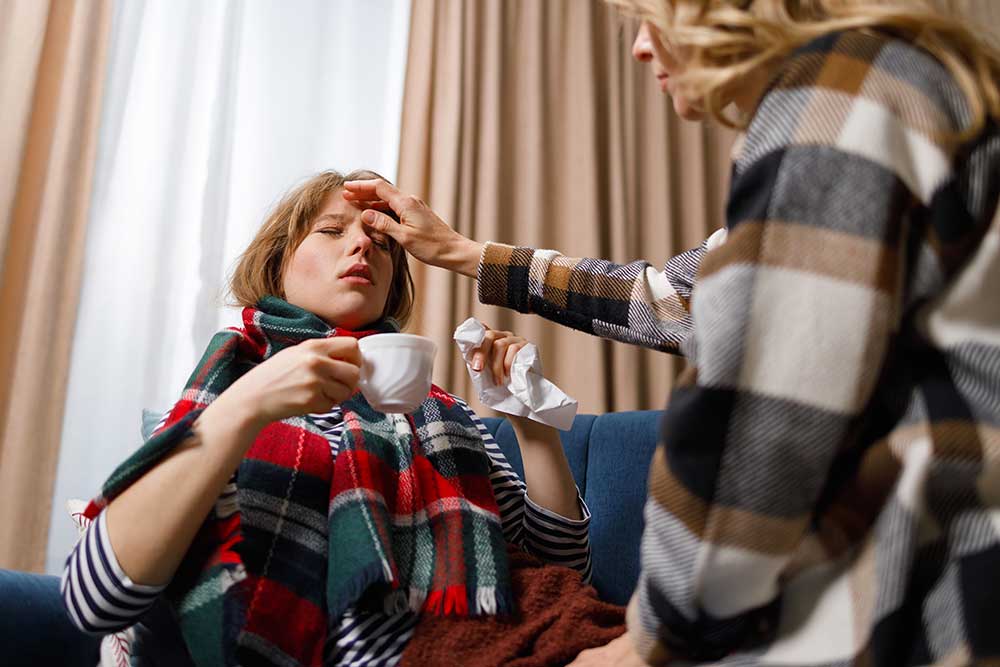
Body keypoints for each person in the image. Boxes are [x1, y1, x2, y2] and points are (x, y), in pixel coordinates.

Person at [342, 1, 1000, 665]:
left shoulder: (834, 106)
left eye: (648, 18)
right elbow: (670, 296)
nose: (640, 49)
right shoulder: (863, 90)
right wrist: (462, 252)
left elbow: (760, 425)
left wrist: (647, 640)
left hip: (941, 598)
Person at [59, 170, 614, 666]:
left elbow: (560, 567)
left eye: (381, 242)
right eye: (331, 231)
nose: (362, 247)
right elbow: (93, 596)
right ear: (277, 262)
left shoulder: (444, 413)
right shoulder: (225, 394)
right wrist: (247, 405)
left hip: (521, 635)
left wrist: (531, 426)